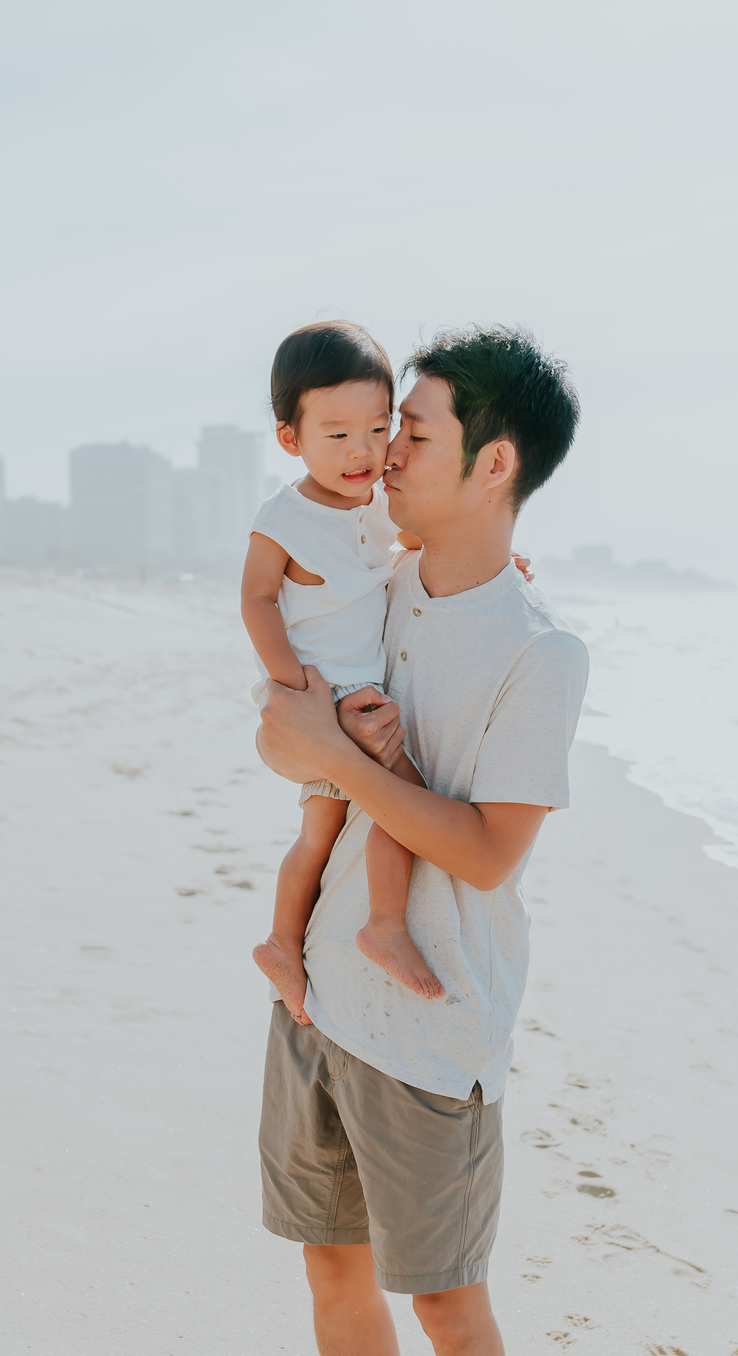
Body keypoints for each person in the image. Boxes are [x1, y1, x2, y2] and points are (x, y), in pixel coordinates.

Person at [255, 324, 589, 1356]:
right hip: (324, 994)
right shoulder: (385, 579)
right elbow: (289, 630)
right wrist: (309, 737)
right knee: (331, 1261)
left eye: (421, 432)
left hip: (438, 1015)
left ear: (494, 462)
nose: (388, 449)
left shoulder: (540, 647)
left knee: (448, 1301)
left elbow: (490, 848)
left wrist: (328, 750)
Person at [244, 321, 446, 1018]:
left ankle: (280, 942)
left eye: (377, 428)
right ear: (290, 439)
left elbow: (415, 547)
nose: (362, 451)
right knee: (405, 798)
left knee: (323, 829)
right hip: (326, 701)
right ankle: (384, 925)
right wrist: (293, 683)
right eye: (337, 436)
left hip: (356, 700)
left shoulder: (374, 507)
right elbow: (257, 597)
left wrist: (494, 560)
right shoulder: (286, 518)